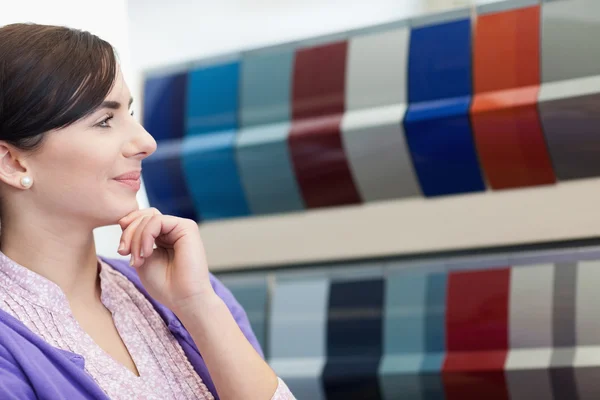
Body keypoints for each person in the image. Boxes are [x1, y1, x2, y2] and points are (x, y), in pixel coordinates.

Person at [0, 23, 295, 399]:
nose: (146, 142)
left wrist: (197, 305)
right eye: (105, 121)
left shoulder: (189, 293)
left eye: (131, 113)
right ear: (13, 163)